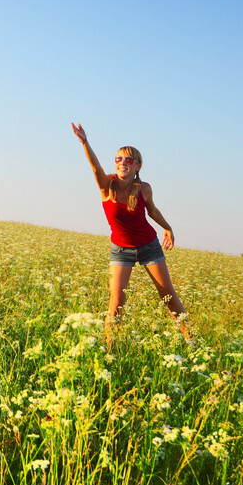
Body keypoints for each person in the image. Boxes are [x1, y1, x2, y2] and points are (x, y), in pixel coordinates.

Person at [71, 123, 192, 344]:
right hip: (121, 250)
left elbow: (153, 211)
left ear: (137, 166)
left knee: (168, 297)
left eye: (129, 160)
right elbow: (95, 167)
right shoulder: (107, 185)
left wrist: (167, 228)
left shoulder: (144, 188)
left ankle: (191, 340)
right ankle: (110, 350)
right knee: (116, 303)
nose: (123, 163)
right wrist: (84, 142)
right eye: (119, 159)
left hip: (149, 246)